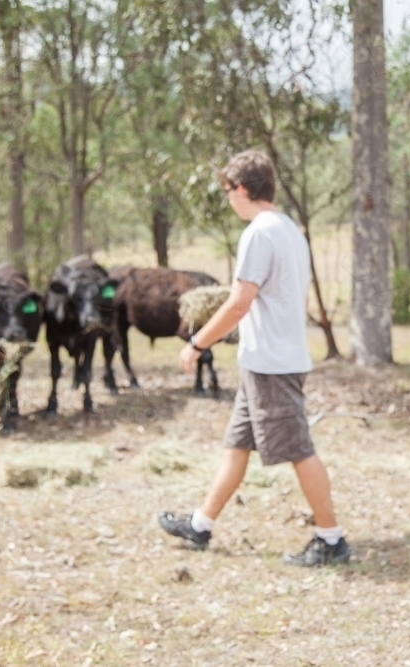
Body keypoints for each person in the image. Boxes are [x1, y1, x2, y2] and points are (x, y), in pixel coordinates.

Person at [158, 149, 349, 567]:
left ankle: (331, 540)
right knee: (236, 445)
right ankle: (201, 525)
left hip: (272, 365)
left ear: (242, 188)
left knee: (299, 449)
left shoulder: (259, 233)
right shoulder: (287, 229)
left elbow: (239, 301)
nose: (228, 198)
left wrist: (197, 343)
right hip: (267, 360)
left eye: (228, 190)